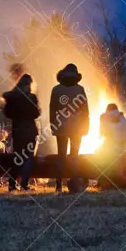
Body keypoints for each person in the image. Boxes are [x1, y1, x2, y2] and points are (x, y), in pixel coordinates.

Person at [49, 63, 90, 194]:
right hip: (77, 128)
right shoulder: (80, 90)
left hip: (60, 127)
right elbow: (85, 111)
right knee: (74, 157)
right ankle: (73, 183)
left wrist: (52, 124)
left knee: (61, 156)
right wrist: (86, 126)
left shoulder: (56, 89)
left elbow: (52, 109)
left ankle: (59, 184)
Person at [3, 74, 41, 192]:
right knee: (28, 157)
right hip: (29, 130)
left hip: (18, 130)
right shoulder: (32, 97)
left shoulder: (12, 98)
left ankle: (11, 184)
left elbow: (7, 114)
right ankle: (24, 185)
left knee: (18, 157)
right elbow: (36, 114)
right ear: (28, 85)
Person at [97, 103, 126, 189]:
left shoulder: (103, 118)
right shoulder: (125, 119)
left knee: (98, 156)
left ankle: (102, 181)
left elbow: (101, 134)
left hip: (110, 150)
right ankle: (125, 183)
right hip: (125, 149)